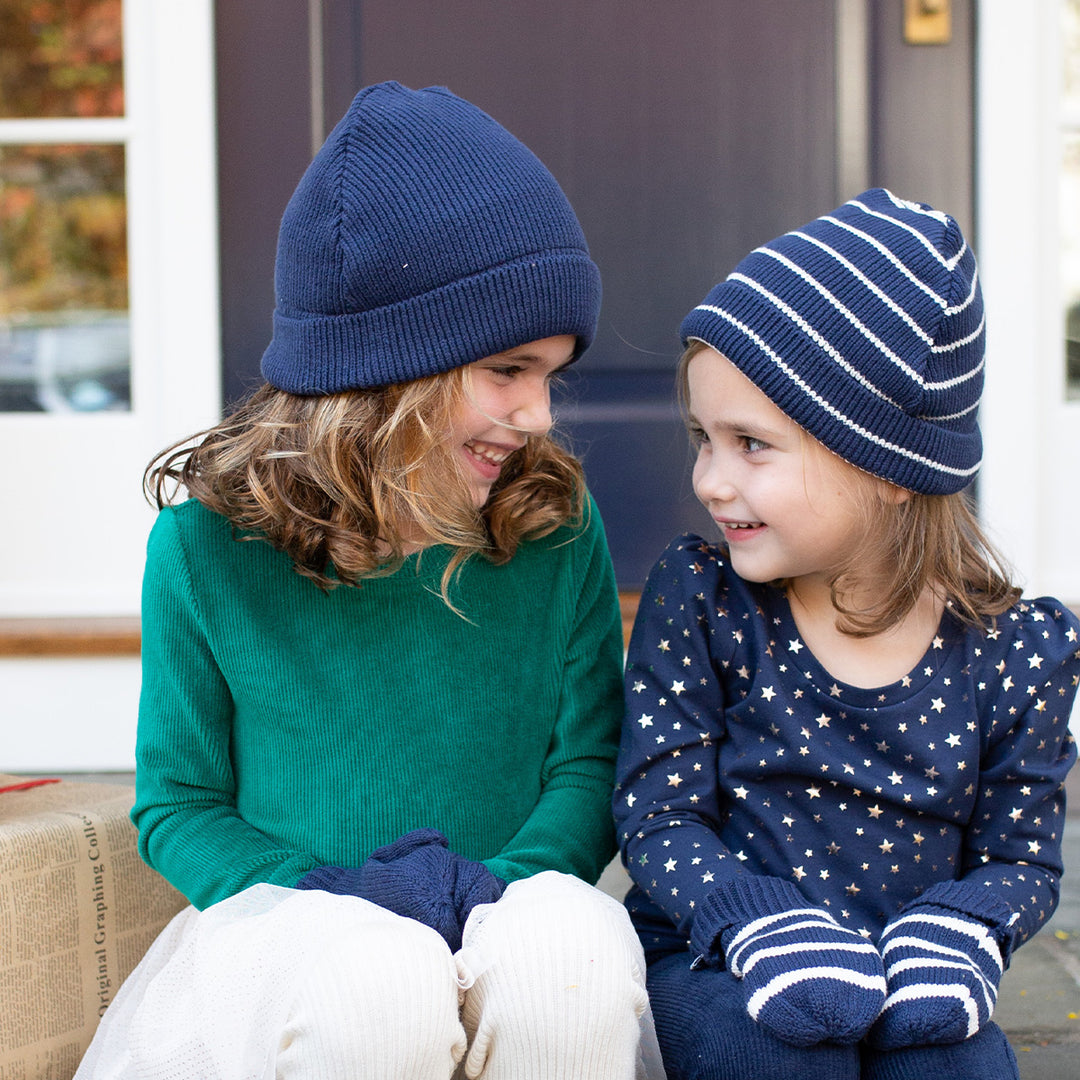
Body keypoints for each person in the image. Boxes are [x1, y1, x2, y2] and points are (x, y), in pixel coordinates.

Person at [76, 82, 659, 1080]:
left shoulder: (554, 528)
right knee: (376, 987)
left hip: (508, 902)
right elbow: (178, 803)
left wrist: (482, 891)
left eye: (552, 376)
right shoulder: (206, 550)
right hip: (291, 931)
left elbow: (586, 767)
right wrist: (328, 894)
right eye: (509, 370)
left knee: (576, 963)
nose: (539, 415)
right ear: (393, 365)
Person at [614, 188, 1080, 1080]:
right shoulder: (707, 599)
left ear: (889, 466)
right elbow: (659, 810)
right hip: (724, 960)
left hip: (912, 977)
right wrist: (754, 919)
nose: (711, 480)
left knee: (961, 1069)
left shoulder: (1015, 650)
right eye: (701, 438)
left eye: (750, 444)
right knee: (781, 1057)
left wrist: (962, 932)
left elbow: (1020, 858)